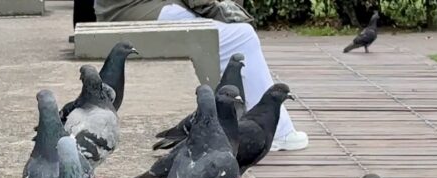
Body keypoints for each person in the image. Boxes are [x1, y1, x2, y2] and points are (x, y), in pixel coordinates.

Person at [93, 0, 309, 151]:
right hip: (136, 8)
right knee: (242, 36)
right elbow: (200, 2)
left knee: (236, 35)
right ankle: (274, 132)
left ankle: (258, 127)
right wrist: (219, 12)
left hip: (125, 7)